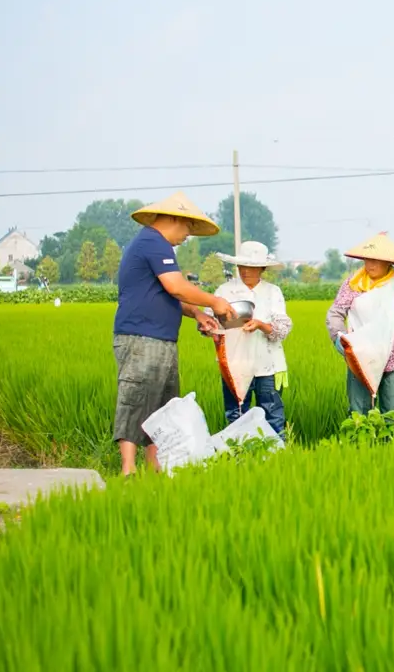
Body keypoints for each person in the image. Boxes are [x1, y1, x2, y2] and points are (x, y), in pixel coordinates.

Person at [113, 192, 235, 476]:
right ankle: (128, 470)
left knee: (161, 404)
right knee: (136, 397)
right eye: (188, 228)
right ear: (174, 219)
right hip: (141, 337)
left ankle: (153, 468)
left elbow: (168, 295)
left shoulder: (155, 245)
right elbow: (176, 286)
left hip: (161, 338)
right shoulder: (153, 242)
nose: (188, 236)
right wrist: (214, 302)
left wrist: (197, 313)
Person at [325, 233, 394, 415]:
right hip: (362, 357)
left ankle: (393, 444)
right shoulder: (353, 284)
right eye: (367, 260)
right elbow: (335, 313)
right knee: (359, 413)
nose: (370, 265)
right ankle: (360, 443)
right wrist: (339, 338)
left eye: (376, 261)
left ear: (388, 262)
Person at [206, 241, 292, 440]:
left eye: (251, 267)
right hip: (235, 362)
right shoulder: (224, 291)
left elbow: (281, 330)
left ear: (262, 268)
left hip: (267, 363)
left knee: (272, 413)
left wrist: (260, 324)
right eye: (242, 266)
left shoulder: (273, 292)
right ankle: (240, 456)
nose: (245, 271)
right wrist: (207, 327)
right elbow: (208, 319)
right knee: (237, 414)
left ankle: (276, 456)